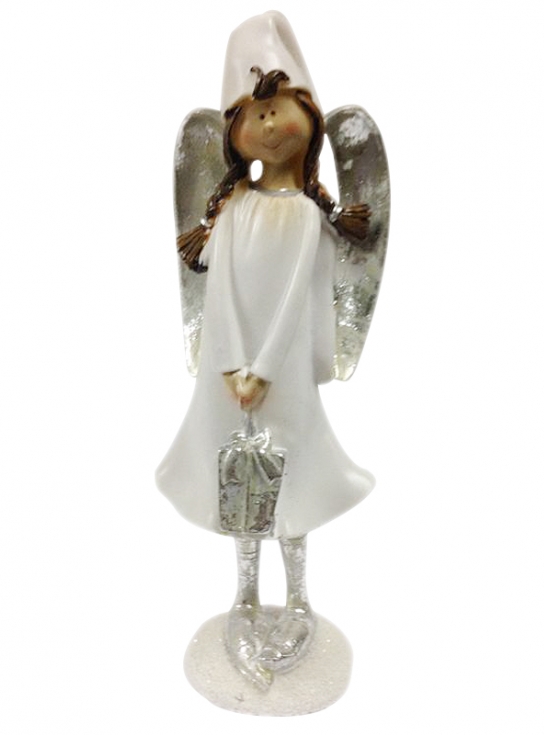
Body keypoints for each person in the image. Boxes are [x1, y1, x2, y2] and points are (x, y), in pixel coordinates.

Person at [156, 11, 374, 688]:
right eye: (254, 113)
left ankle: (299, 595)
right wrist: (229, 366)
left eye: (279, 108)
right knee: (239, 491)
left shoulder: (307, 215)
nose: (269, 123)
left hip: (280, 381)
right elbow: (220, 292)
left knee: (292, 490)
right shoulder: (231, 211)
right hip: (231, 377)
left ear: (308, 118)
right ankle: (246, 594)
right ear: (234, 132)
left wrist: (265, 370)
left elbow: (292, 306)